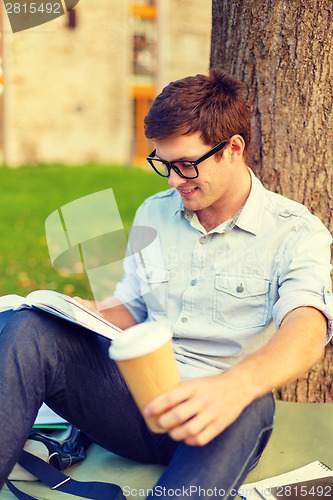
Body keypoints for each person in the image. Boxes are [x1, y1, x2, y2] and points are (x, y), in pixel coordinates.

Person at [0, 70, 332, 498]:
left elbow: (307, 329)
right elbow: (130, 308)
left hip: (215, 418)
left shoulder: (296, 231)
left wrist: (235, 386)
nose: (174, 180)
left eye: (186, 164)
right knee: (29, 328)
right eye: (164, 164)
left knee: (254, 403)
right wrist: (79, 313)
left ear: (233, 149)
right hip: (132, 401)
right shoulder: (155, 212)